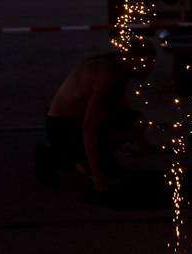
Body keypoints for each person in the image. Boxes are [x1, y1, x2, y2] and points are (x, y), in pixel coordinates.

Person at [34, 39, 156, 191]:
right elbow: (89, 126)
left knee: (138, 122)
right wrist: (98, 174)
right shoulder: (107, 76)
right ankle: (53, 156)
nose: (151, 67)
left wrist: (142, 143)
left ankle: (99, 157)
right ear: (131, 59)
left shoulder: (119, 68)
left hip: (76, 121)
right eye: (147, 62)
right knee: (114, 179)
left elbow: (121, 107)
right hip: (63, 129)